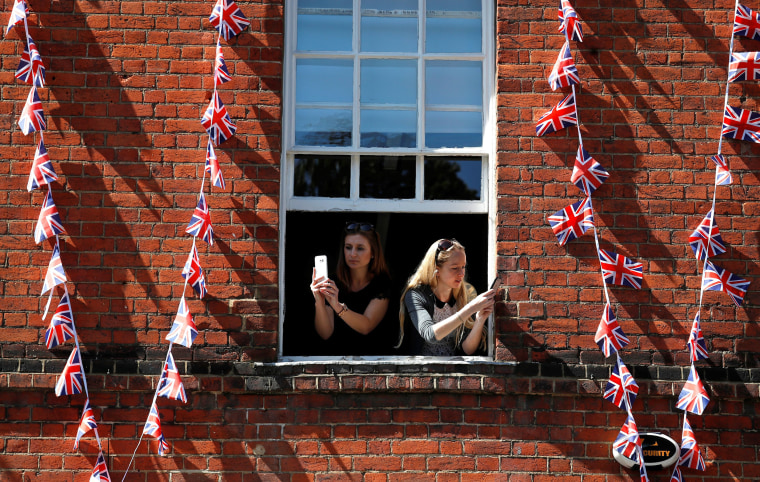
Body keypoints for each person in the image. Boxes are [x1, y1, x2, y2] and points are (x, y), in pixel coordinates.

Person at [310, 222, 396, 355]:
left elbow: (366, 326)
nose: (353, 254)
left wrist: (337, 306)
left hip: (372, 362)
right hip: (335, 360)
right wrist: (319, 302)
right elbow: (325, 333)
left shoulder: (382, 283)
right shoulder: (332, 281)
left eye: (360, 248)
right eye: (348, 247)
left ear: (373, 252)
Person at [398, 239, 496, 356]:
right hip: (422, 371)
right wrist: (470, 309)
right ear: (436, 269)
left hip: (453, 371)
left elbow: (468, 349)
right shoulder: (416, 295)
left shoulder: (466, 293)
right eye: (454, 268)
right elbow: (430, 334)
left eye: (463, 267)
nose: (461, 273)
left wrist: (480, 319)